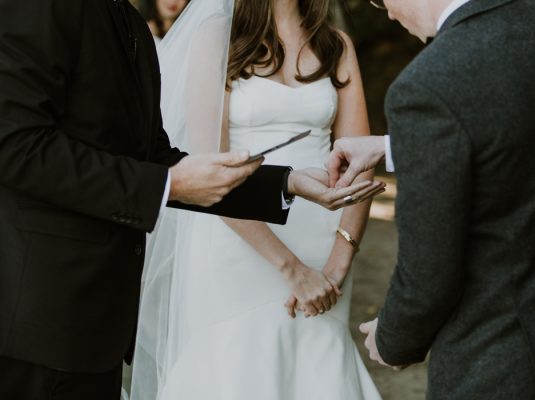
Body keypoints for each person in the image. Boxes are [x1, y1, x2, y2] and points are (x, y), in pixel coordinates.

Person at [0, 0, 382, 399]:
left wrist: (285, 184)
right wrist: (169, 184)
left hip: (93, 322)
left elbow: (154, 156)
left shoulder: (127, 21)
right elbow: (14, 145)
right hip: (34, 315)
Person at [329, 0, 535, 399]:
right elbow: (524, 132)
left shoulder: (427, 84)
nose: (386, 12)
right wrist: (392, 147)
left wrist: (393, 338)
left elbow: (428, 274)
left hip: (500, 365)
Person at [130, 0, 382, 399]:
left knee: (318, 370)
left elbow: (360, 162)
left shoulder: (335, 46)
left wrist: (338, 262)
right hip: (237, 242)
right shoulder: (217, 39)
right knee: (240, 369)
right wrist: (291, 268)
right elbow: (209, 172)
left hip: (324, 246)